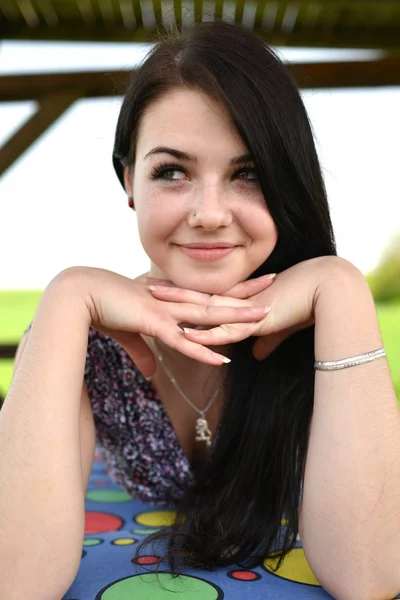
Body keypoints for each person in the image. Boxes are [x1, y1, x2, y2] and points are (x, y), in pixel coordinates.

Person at [1, 20, 400, 600]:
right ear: (128, 181)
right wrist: (64, 300)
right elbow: (16, 580)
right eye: (172, 172)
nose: (210, 213)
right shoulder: (92, 342)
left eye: (249, 174)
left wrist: (341, 289)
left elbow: (370, 575)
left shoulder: (325, 329)